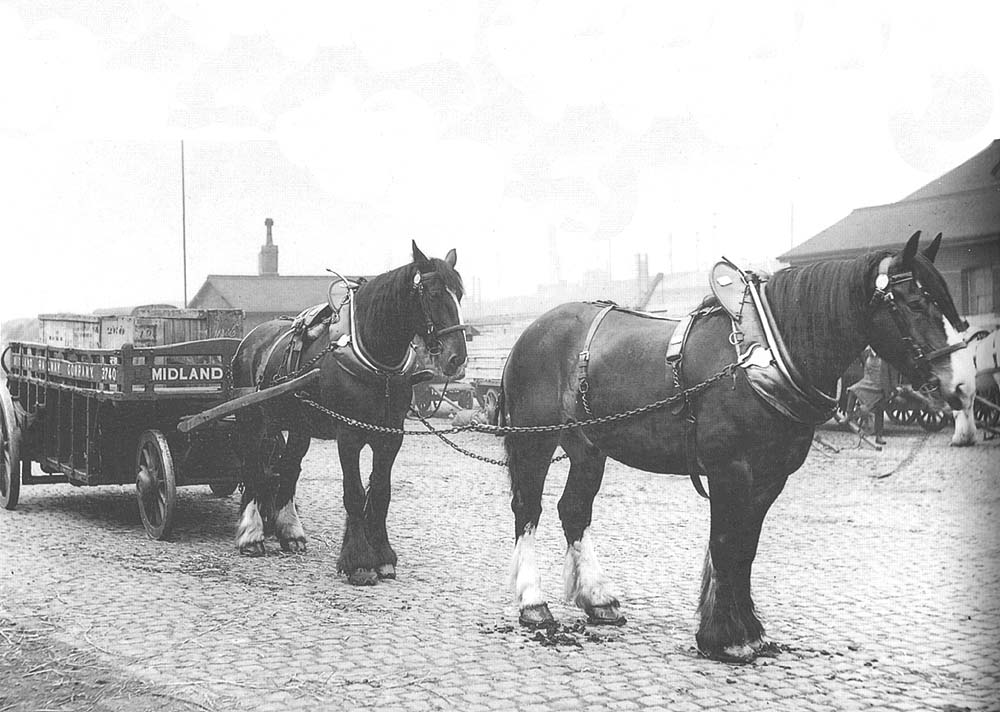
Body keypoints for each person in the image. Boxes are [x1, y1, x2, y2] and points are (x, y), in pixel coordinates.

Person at [847, 347, 891, 443]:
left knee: (879, 409)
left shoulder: (885, 356)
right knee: (852, 390)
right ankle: (849, 415)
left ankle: (879, 436)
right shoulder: (865, 354)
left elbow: (890, 374)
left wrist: (891, 390)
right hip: (868, 382)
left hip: (880, 386)